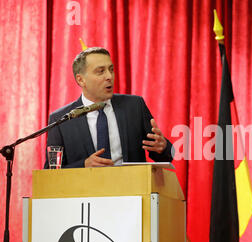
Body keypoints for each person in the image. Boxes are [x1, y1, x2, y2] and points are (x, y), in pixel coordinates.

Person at [44, 47, 173, 168]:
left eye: (111, 70)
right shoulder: (61, 120)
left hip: (131, 189)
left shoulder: (134, 107)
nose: (109, 76)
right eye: (101, 72)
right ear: (81, 80)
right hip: (85, 190)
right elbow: (52, 170)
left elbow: (164, 154)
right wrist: (83, 165)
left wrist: (163, 147)